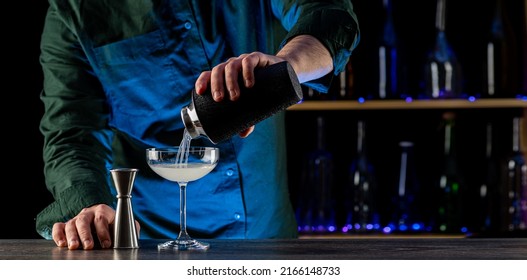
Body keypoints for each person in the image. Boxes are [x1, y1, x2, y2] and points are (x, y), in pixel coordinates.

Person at [37, 0, 360, 250]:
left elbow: (327, 13)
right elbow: (72, 130)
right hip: (154, 243)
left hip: (268, 236)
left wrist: (287, 67)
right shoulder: (75, 10)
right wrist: (90, 205)